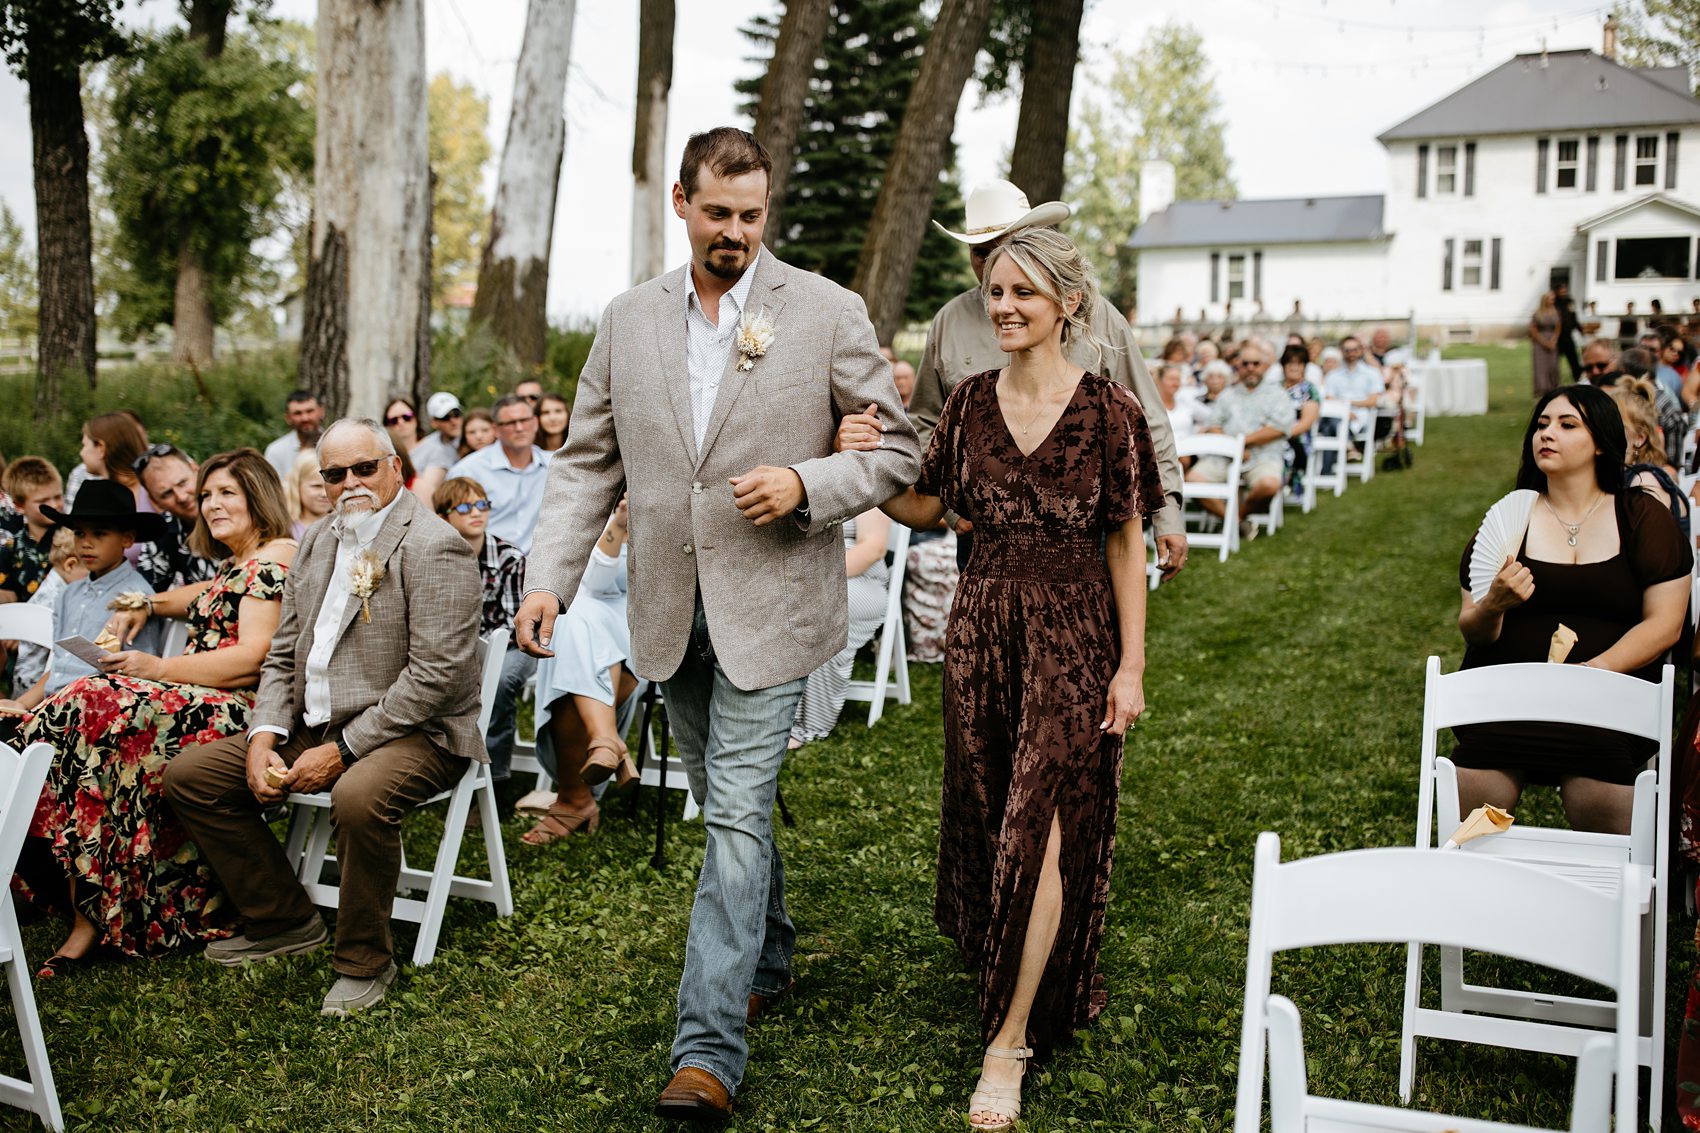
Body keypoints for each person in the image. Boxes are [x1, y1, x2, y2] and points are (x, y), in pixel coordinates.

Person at [513, 127, 920, 1121]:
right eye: (717, 213)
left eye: (750, 215)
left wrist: (806, 480)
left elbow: (896, 451)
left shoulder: (825, 311)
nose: (735, 231)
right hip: (665, 610)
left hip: (772, 605)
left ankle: (705, 1051)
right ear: (682, 206)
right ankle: (770, 952)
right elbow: (582, 467)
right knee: (727, 802)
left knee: (732, 817)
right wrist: (548, 580)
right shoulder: (624, 319)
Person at [875, 226, 1158, 1132]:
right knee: (995, 808)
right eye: (995, 292)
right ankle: (1027, 968)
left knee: (1039, 822)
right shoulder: (963, 404)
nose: (1003, 308)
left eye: (1023, 294)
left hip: (1076, 632)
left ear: (1068, 303)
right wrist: (865, 462)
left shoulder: (1111, 410)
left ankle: (1008, 1045)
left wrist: (1132, 665)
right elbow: (926, 502)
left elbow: (1125, 540)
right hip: (983, 628)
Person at [163, 418, 482, 1017]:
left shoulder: (434, 544)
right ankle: (283, 918)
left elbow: (435, 678)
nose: (350, 483)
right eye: (335, 474)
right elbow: (284, 654)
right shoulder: (315, 541)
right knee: (193, 777)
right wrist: (264, 736)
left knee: (357, 797)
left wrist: (344, 751)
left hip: (421, 730)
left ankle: (364, 961)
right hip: (317, 719)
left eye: (364, 468)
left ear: (394, 467)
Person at [12, 449, 296, 974]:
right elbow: (205, 593)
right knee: (93, 711)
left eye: (226, 492)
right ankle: (78, 889)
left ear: (258, 495)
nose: (211, 504)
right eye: (207, 494)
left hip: (243, 711)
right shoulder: (246, 561)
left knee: (92, 699)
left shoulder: (274, 559)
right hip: (205, 701)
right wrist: (145, 602)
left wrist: (156, 668)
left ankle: (69, 879)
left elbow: (253, 661)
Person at [844, 180, 1185, 582]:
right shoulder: (948, 323)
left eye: (1003, 246)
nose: (991, 264)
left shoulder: (1097, 314)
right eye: (980, 252)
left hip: (1081, 527)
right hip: (984, 531)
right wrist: (953, 509)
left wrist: (1169, 515)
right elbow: (926, 424)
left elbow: (1145, 420)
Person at [1454, 386, 1690, 834]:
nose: (1547, 434)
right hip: (1509, 705)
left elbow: (1665, 624)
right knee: (1472, 807)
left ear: (1600, 440)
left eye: (1566, 425)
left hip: (1606, 707)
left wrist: (1589, 673)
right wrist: (1494, 605)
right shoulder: (1511, 521)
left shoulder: (1640, 515)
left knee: (1606, 804)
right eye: (1541, 425)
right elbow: (1474, 632)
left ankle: (1623, 901)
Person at [520, 499, 639, 844]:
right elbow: (598, 581)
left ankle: (577, 795)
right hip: (593, 619)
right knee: (574, 620)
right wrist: (619, 522)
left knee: (574, 639)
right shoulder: (606, 502)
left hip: (646, 627)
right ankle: (605, 741)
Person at [0, 482, 165, 726]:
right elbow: (59, 666)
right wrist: (23, 703)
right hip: (48, 710)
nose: (86, 543)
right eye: (79, 533)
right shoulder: (69, 594)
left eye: (99, 533)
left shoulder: (135, 599)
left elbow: (139, 679)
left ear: (127, 539)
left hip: (95, 718)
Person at [432, 476, 535, 796]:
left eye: (481, 504)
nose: (475, 512)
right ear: (443, 517)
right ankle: (441, 766)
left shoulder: (509, 558)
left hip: (512, 646)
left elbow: (514, 625)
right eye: (463, 507)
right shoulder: (436, 558)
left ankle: (496, 780)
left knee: (500, 682)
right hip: (459, 648)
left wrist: (474, 655)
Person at [788, 507, 890, 748]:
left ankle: (808, 723)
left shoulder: (864, 476)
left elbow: (873, 548)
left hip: (855, 578)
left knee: (818, 606)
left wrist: (816, 579)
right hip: (799, 580)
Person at [1187, 340, 1292, 540]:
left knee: (1269, 485)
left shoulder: (1277, 394)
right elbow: (1214, 425)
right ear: (1238, 366)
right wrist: (1233, 448)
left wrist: (1240, 444)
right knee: (1192, 480)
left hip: (1264, 455)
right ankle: (1238, 524)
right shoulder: (1227, 395)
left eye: (1255, 363)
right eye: (1245, 364)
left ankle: (1236, 518)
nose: (1250, 368)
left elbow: (1278, 429)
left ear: (1265, 366)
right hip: (1225, 457)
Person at [447, 395, 549, 554]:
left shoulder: (555, 465)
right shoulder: (467, 471)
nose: (520, 428)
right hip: (489, 565)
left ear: (535, 423)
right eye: (510, 423)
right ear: (496, 430)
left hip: (543, 564)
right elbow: (452, 526)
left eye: (524, 420)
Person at [135, 444, 218, 592]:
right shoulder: (161, 531)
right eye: (166, 493)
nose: (181, 497)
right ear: (154, 500)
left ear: (196, 469)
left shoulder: (235, 511)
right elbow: (144, 593)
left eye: (182, 483)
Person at [12, 529, 83, 697]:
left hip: (26, 679)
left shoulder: (52, 585)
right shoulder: (57, 597)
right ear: (70, 565)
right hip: (39, 684)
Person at [0, 457, 62, 602]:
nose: (53, 505)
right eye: (43, 501)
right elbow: (9, 596)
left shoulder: (73, 539)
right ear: (19, 506)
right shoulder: (11, 549)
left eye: (58, 497)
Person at [1277, 345, 1322, 493]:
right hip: (1270, 434)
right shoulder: (1273, 389)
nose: (1294, 368)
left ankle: (1279, 486)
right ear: (1283, 366)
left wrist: (1279, 434)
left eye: (1299, 364)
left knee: (1282, 449)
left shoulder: (1309, 390)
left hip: (1297, 439)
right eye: (1290, 363)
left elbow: (1306, 424)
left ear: (1304, 366)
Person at [410, 392, 465, 502]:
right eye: (445, 417)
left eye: (456, 414)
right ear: (434, 422)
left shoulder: (476, 438)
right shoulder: (427, 447)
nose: (453, 421)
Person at [263, 390, 325, 481]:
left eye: (310, 411)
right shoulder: (275, 451)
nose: (305, 418)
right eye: (298, 413)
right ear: (288, 418)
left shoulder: (337, 443)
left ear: (321, 412)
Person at [283, 450, 331, 539]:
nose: (324, 493)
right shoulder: (285, 529)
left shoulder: (342, 526)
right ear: (297, 486)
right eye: (316, 486)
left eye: (328, 487)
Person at [1528, 292, 1561, 399]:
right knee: (1540, 366)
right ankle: (1541, 389)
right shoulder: (1537, 314)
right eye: (1550, 299)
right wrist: (1544, 342)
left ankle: (1553, 387)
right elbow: (1533, 329)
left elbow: (1558, 327)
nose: (1552, 301)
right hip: (1540, 343)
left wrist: (1553, 340)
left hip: (1552, 342)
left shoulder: (1556, 312)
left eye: (1553, 299)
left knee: (1552, 366)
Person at [1555, 283, 1583, 381]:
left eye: (1565, 290)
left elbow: (1574, 317)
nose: (1563, 292)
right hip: (1557, 337)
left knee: (1574, 360)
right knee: (1554, 361)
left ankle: (1578, 378)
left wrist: (1580, 329)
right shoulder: (1554, 303)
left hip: (1568, 336)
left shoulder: (1569, 302)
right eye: (1561, 291)